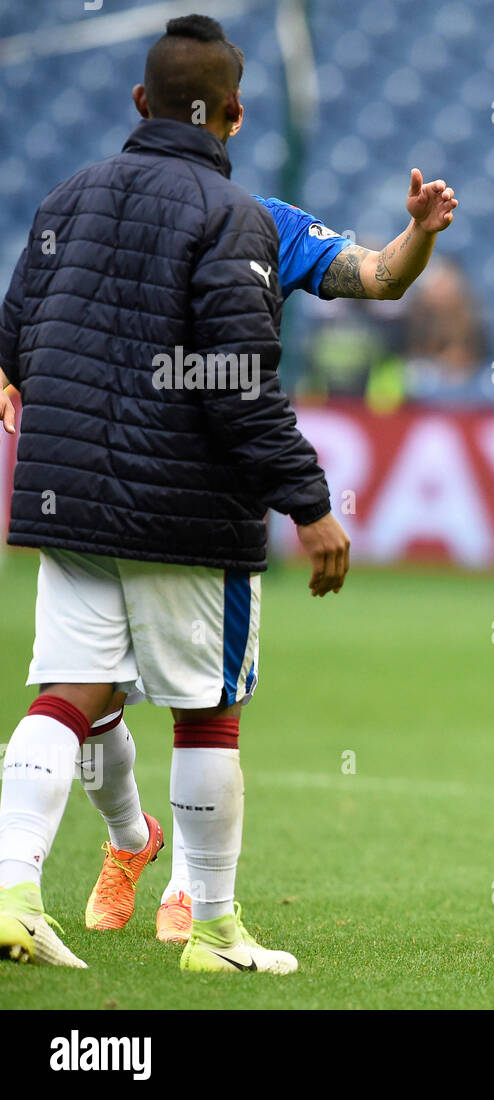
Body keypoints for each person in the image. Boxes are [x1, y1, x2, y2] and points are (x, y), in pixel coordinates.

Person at [0, 41, 458, 950]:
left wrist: (419, 237)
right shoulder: (239, 216)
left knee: (66, 699)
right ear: (235, 116)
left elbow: (376, 275)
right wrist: (308, 499)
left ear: (140, 101)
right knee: (201, 709)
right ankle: (206, 920)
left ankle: (20, 893)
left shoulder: (68, 200)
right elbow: (235, 378)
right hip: (185, 504)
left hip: (70, 497)